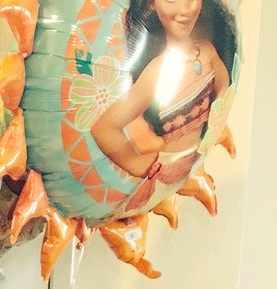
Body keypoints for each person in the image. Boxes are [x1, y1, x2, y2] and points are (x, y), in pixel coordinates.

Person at [91, 0, 233, 207]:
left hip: (197, 163)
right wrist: (134, 162)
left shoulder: (206, 50)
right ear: (151, 4)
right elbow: (104, 128)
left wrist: (216, 123)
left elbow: (224, 86)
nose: (186, 9)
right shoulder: (156, 72)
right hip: (169, 175)